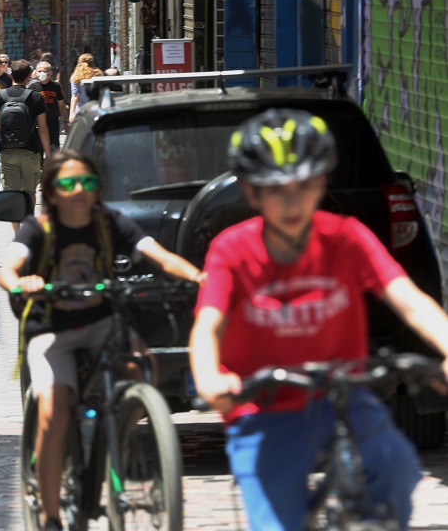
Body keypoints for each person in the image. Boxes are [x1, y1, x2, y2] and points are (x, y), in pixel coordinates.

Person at [189, 109, 448, 531]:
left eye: (306, 185)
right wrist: (208, 378)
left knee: (397, 468)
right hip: (263, 407)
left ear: (323, 183)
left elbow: (408, 299)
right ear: (252, 193)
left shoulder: (346, 236)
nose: (293, 200)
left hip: (343, 397)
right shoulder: (232, 250)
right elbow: (208, 324)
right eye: (277, 190)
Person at [0, 150, 202, 531]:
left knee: (143, 369)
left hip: (102, 321)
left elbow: (158, 255)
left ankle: (114, 442)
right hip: (50, 328)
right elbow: (7, 268)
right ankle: (51, 514)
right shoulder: (37, 228)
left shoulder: (111, 224)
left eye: (88, 183)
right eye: (68, 183)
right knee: (54, 405)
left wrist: (198, 277)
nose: (79, 190)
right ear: (53, 192)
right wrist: (21, 281)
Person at [0, 60, 51, 231]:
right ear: (29, 77)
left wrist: (6, 130)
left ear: (10, 75)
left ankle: (18, 235)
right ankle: (30, 232)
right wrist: (48, 154)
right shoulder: (35, 97)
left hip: (7, 152)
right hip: (31, 151)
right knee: (30, 192)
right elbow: (43, 128)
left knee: (12, 194)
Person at [28, 61, 68, 152]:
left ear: (50, 73)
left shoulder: (56, 86)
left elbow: (61, 105)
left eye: (44, 71)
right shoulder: (31, 87)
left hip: (53, 123)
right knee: (39, 152)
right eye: (39, 71)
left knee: (54, 150)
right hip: (38, 125)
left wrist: (65, 121)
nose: (41, 73)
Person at [68, 53, 103, 121]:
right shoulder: (98, 74)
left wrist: (72, 113)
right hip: (96, 109)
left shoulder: (75, 76)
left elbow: (75, 95)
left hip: (81, 110)